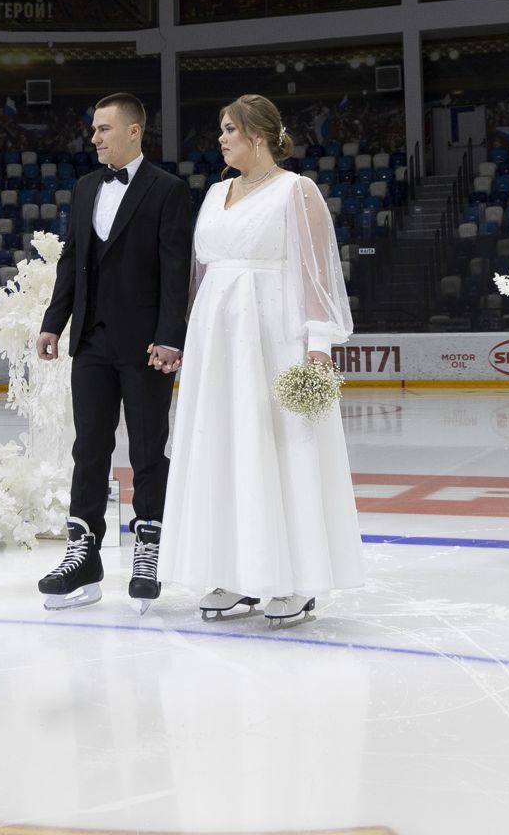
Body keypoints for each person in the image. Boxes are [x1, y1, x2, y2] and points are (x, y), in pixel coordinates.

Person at [161, 94, 363, 627]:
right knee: (225, 447)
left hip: (273, 335)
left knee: (278, 449)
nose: (222, 139)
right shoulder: (214, 194)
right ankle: (234, 570)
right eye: (221, 129)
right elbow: (202, 276)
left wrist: (318, 345)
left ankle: (295, 580)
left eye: (230, 129)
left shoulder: (298, 191)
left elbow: (317, 273)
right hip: (217, 341)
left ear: (259, 134)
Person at [34, 93, 193, 612]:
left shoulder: (168, 190)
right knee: (89, 448)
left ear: (133, 131)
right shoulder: (84, 188)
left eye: (104, 128)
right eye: (94, 129)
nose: (95, 137)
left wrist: (172, 336)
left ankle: (149, 546)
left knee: (148, 449)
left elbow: (176, 273)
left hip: (147, 344)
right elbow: (72, 261)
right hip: (92, 342)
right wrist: (53, 322)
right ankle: (84, 553)